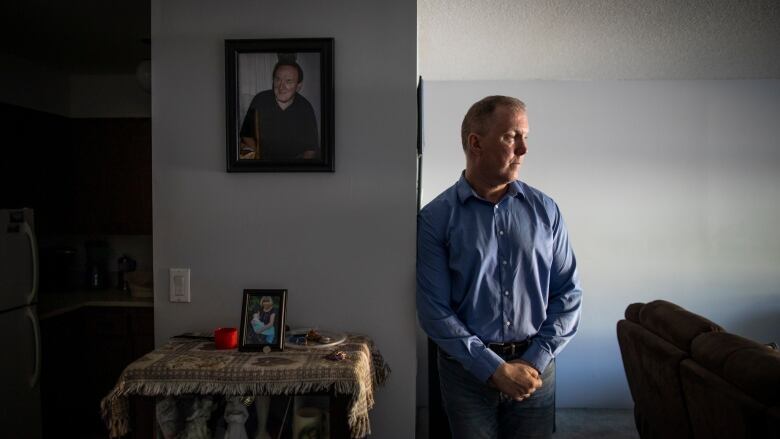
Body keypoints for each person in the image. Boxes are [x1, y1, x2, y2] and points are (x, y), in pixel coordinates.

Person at [416, 96, 583, 439]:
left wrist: (533, 360)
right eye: (511, 137)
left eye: (525, 137)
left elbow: (568, 293)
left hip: (537, 371)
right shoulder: (435, 218)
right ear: (475, 143)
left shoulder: (546, 211)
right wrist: (493, 369)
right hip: (466, 375)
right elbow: (434, 310)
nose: (523, 150)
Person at [239, 54, 319, 161]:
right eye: (278, 79)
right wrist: (257, 159)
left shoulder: (306, 108)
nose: (281, 87)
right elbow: (246, 135)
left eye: (288, 81)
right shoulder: (260, 100)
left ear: (298, 86)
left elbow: (311, 149)